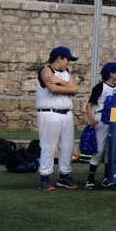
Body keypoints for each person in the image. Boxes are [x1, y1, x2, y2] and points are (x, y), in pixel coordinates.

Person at [36, 46, 80, 191]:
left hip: (66, 112)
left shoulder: (67, 72)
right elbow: (52, 89)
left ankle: (64, 176)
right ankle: (45, 177)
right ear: (59, 58)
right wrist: (65, 86)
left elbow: (75, 90)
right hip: (49, 112)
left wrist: (60, 82)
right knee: (48, 146)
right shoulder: (46, 69)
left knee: (67, 146)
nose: (68, 63)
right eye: (67, 59)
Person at [84, 61, 116, 189]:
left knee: (109, 150)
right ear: (111, 74)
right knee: (99, 149)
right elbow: (90, 104)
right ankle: (90, 179)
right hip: (100, 118)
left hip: (114, 119)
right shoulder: (100, 87)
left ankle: (107, 178)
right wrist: (91, 118)